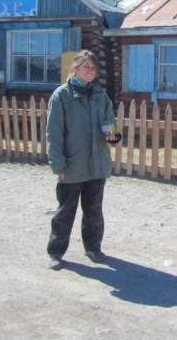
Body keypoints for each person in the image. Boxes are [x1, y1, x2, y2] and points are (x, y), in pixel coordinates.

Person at [45, 50, 121, 270]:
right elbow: (54, 133)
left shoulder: (100, 95)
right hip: (71, 165)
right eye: (86, 66)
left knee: (94, 211)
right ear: (75, 68)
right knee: (65, 211)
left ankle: (93, 248)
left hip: (97, 164)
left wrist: (111, 135)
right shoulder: (61, 96)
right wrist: (58, 164)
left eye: (93, 67)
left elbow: (108, 122)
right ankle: (56, 253)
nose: (90, 71)